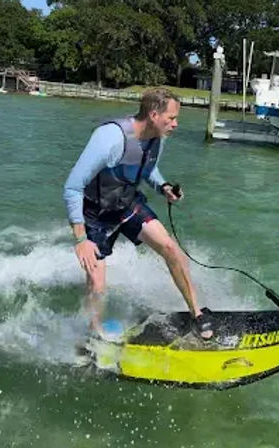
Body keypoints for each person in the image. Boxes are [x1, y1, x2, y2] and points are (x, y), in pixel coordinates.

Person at [63, 88, 213, 340]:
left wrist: (162, 187)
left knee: (170, 248)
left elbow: (147, 168)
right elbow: (72, 187)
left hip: (127, 204)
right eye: (172, 118)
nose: (175, 124)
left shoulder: (158, 137)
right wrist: (81, 239)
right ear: (154, 114)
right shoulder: (111, 137)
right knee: (98, 286)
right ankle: (92, 336)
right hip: (94, 215)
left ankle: (196, 314)